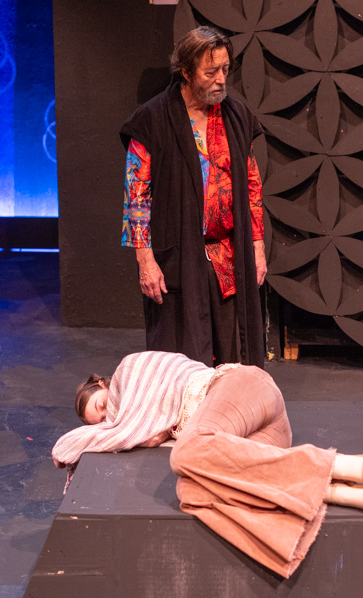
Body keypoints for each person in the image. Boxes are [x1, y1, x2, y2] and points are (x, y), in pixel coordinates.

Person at [52, 351, 363, 578]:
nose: (107, 419)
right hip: (266, 433)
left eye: (101, 406)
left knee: (184, 455)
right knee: (192, 490)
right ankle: (333, 491)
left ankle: (332, 464)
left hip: (242, 389)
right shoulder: (131, 420)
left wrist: (108, 433)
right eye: (99, 422)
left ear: (103, 385)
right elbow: (139, 430)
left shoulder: (129, 373)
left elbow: (135, 430)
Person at [119, 26, 266, 366]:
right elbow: (137, 196)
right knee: (183, 361)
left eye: (225, 69)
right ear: (186, 71)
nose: (221, 79)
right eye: (210, 72)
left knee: (234, 360)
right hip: (179, 257)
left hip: (229, 257)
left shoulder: (237, 117)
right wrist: (145, 262)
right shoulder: (152, 119)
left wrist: (257, 247)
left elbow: (252, 185)